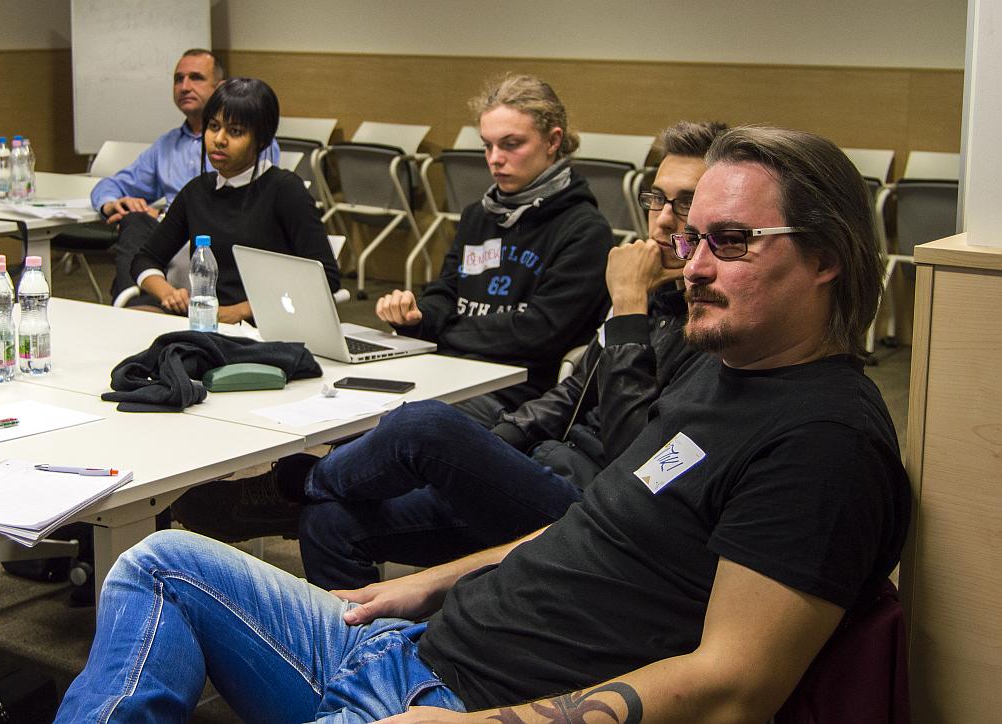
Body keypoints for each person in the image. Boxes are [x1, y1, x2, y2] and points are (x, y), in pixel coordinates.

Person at [53, 126, 910, 723]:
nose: (689, 265)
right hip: (411, 647)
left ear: (827, 256)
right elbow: (594, 521)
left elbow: (735, 687)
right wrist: (427, 583)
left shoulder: (821, 445)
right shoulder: (723, 372)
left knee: (422, 429)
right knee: (159, 561)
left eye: (730, 241)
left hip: (464, 705)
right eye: (690, 238)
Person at [172, 121, 725, 588]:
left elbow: (639, 462)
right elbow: (570, 397)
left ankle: (289, 485)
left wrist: (626, 309)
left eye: (685, 203)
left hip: (597, 512)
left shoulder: (711, 327)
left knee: (425, 426)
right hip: (541, 469)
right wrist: (491, 452)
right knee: (331, 521)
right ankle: (359, 660)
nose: (662, 219)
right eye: (657, 199)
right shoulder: (654, 296)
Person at [376, 74, 615, 427]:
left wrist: (444, 329)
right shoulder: (478, 215)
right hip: (451, 366)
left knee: (401, 424)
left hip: (520, 391)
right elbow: (447, 290)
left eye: (511, 144)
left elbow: (539, 333)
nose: (495, 159)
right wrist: (418, 316)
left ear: (553, 141)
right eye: (487, 146)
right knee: (360, 406)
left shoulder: (585, 230)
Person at [121, 77, 339, 324]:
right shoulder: (197, 191)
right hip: (204, 320)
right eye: (213, 127)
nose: (219, 139)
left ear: (262, 140)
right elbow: (146, 258)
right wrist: (168, 293)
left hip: (264, 325)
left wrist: (241, 311)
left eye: (235, 131)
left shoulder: (285, 190)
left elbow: (326, 278)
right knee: (129, 324)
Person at [89, 49, 281, 300]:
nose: (185, 86)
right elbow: (112, 185)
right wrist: (112, 204)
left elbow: (251, 201)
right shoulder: (167, 144)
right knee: (134, 221)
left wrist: (166, 215)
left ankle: (139, 302)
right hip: (170, 238)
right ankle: (135, 301)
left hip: (220, 237)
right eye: (178, 79)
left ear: (220, 88)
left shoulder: (251, 143)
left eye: (196, 78)